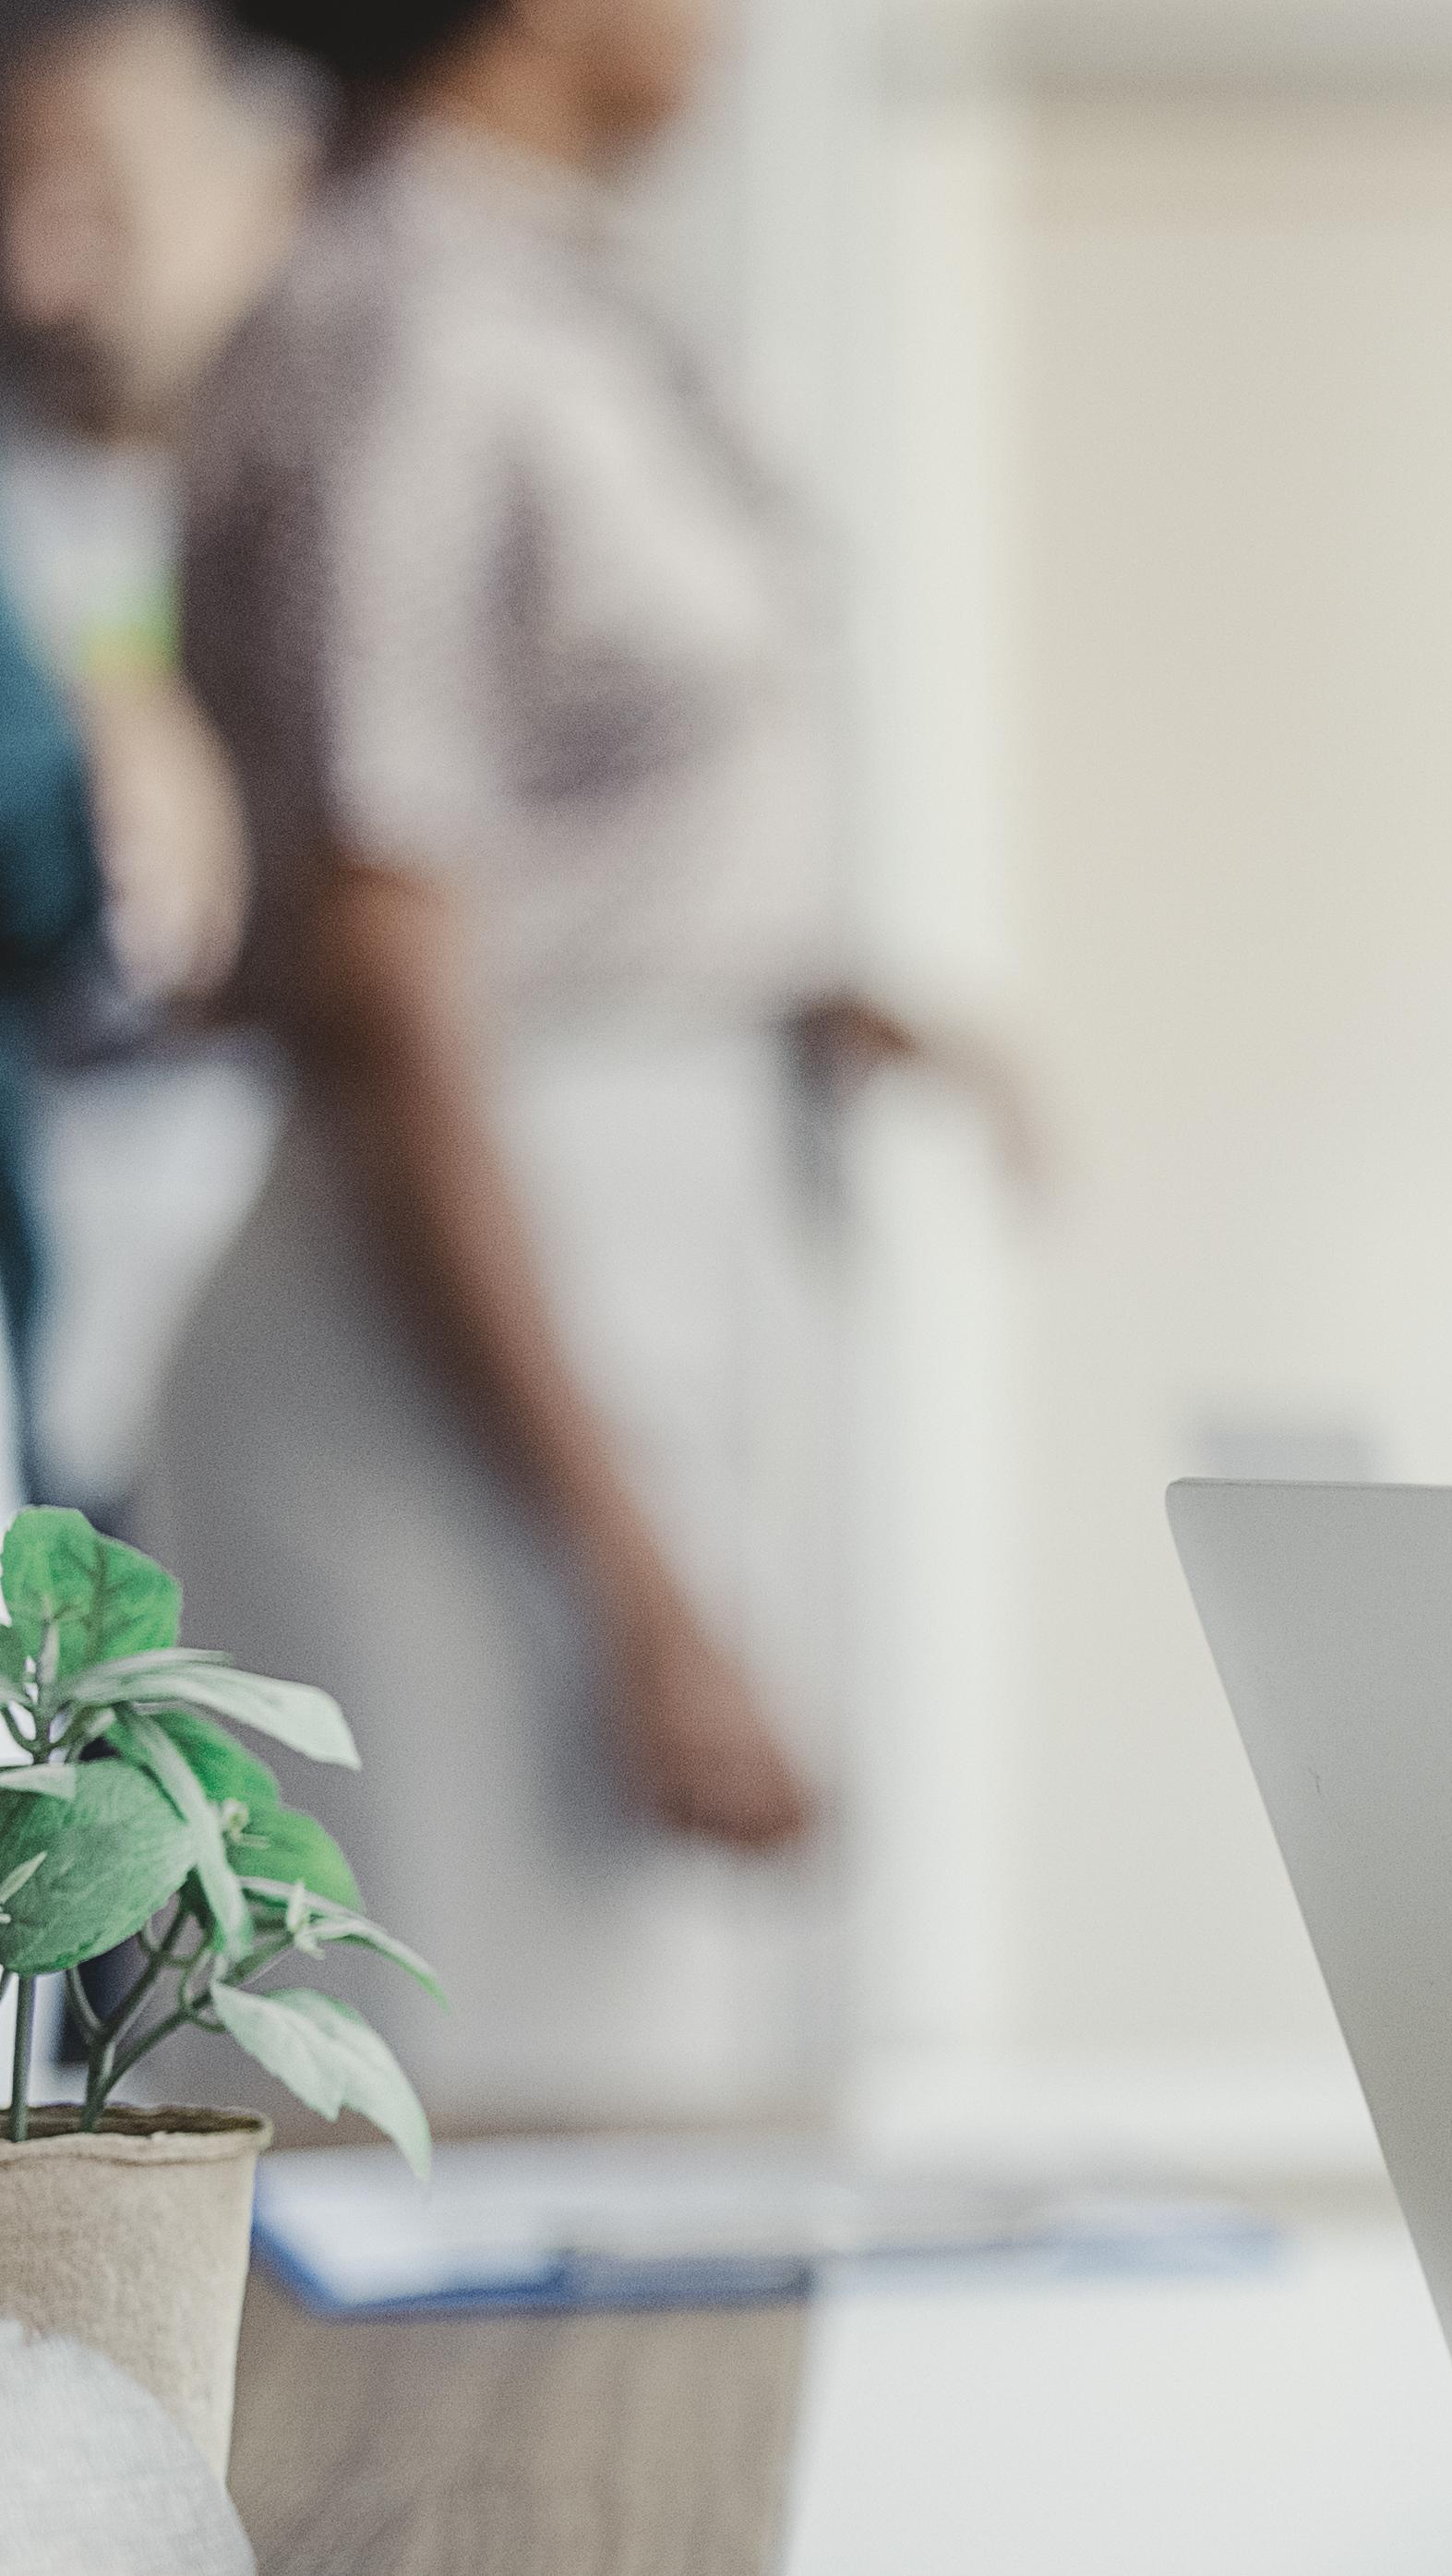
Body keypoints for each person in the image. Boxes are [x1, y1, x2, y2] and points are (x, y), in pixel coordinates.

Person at [144, 0, 859, 2128]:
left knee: (643, 2110)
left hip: (600, 1224)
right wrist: (639, 1584)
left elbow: (563, 830)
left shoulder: (548, 294)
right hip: (446, 1288)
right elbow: (389, 965)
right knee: (484, 2151)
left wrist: (808, 985)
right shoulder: (401, 331)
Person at [0, 0, 299, 1511]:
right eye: (12, 195)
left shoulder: (351, 491)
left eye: (94, 199)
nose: (33, 267)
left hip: (322, 1380)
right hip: (73, 1412)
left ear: (273, 184)